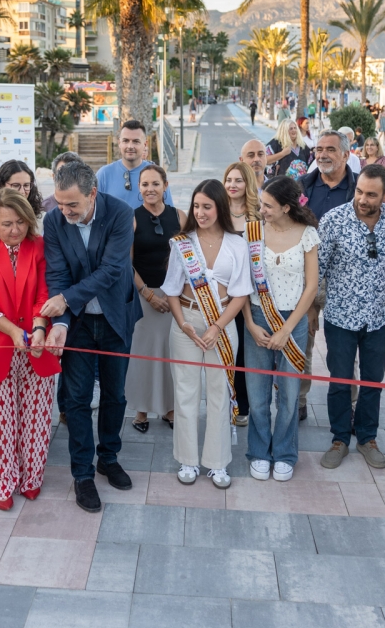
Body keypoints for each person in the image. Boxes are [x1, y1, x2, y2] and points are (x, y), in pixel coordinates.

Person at [43, 161, 140, 513]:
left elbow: (112, 270)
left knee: (115, 394)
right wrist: (62, 322)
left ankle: (108, 457)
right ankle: (82, 473)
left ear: (92, 194)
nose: (64, 211)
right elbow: (57, 273)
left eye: (72, 205)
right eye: (59, 203)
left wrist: (66, 298)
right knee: (77, 399)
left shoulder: (120, 213)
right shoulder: (54, 220)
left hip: (116, 317)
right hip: (78, 324)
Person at [0, 189, 59, 510]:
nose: (15, 230)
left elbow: (44, 292)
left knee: (36, 417)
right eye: (6, 224)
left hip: (36, 345)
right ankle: (0, 482)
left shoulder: (39, 247)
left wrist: (39, 328)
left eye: (20, 222)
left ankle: (31, 478)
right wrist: (13, 329)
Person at [163, 180, 252, 489]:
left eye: (207, 207)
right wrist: (184, 323)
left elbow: (241, 293)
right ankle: (187, 460)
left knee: (220, 393)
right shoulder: (181, 243)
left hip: (223, 323)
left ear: (220, 208)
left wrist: (216, 327)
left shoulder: (237, 244)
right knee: (186, 392)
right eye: (196, 206)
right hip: (186, 320)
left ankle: (217, 463)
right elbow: (172, 290)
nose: (200, 213)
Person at [317, 164, 385, 471]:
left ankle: (367, 438)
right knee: (340, 381)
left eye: (371, 195)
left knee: (373, 381)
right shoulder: (333, 220)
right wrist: (313, 311)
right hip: (340, 317)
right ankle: (340, 438)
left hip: (380, 318)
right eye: (360, 192)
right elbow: (318, 270)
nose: (363, 199)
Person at [243, 177, 319, 481]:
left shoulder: (308, 235)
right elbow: (243, 282)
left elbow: (311, 285)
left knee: (289, 393)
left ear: (287, 207)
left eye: (268, 205)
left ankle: (285, 452)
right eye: (261, 203)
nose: (261, 209)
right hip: (258, 317)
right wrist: (249, 322)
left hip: (294, 322)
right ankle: (259, 451)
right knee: (257, 393)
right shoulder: (253, 233)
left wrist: (287, 329)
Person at [296, 130, 357, 421]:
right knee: (301, 341)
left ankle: (350, 406)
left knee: (343, 349)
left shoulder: (358, 190)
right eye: (319, 149)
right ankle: (299, 401)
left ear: (346, 154)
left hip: (344, 282)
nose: (322, 155)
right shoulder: (303, 188)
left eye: (330, 149)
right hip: (306, 279)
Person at [128, 164, 185, 433]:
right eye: (144, 184)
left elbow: (190, 260)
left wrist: (175, 295)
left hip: (175, 299)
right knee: (144, 356)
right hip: (143, 298)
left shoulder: (181, 217)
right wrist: (148, 295)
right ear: (139, 188)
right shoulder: (132, 218)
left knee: (171, 354)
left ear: (165, 185)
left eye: (155, 184)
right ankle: (141, 411)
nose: (150, 189)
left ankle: (170, 409)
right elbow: (125, 264)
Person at [225, 162, 261, 424]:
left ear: (247, 184)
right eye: (229, 180)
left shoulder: (258, 216)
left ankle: (246, 407)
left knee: (248, 354)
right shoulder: (219, 213)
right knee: (229, 350)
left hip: (253, 295)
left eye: (238, 180)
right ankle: (230, 402)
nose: (232, 185)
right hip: (224, 294)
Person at [97, 120, 175, 209]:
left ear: (145, 144)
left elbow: (169, 213)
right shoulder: (104, 174)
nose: (130, 146)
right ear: (119, 143)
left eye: (136, 141)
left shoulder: (157, 175)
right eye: (126, 141)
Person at [0, 159, 46, 235]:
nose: (22, 191)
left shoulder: (41, 218)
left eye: (26, 185)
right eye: (16, 185)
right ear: (2, 185)